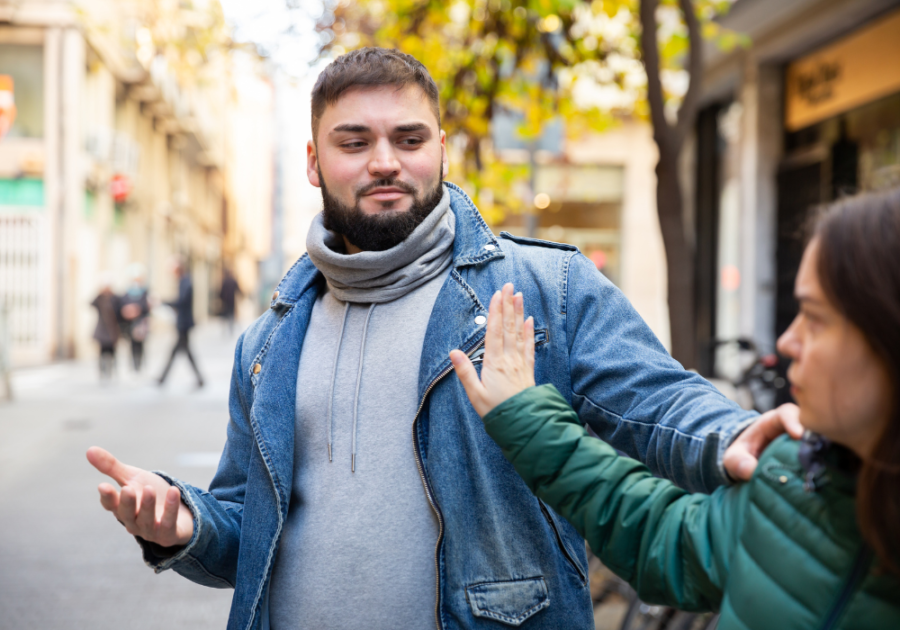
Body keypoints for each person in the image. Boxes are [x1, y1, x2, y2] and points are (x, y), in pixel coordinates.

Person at [86, 48, 797, 630]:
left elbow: (663, 405)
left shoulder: (546, 287)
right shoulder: (268, 339)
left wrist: (735, 437)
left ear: (442, 150)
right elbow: (245, 533)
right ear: (313, 162)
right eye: (354, 141)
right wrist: (179, 524)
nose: (385, 161)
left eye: (409, 138)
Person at [451, 189, 900, 629]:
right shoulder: (798, 475)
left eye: (815, 317)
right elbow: (666, 539)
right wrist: (529, 421)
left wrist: (723, 433)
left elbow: (657, 392)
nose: (787, 341)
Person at [157, 258, 204, 388]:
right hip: (183, 323)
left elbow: (181, 301)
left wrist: (164, 302)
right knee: (183, 351)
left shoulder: (185, 282)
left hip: (184, 323)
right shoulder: (183, 281)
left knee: (180, 351)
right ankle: (163, 378)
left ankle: (162, 378)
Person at [119, 263, 151, 372]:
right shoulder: (127, 293)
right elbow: (121, 304)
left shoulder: (145, 292)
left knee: (140, 344)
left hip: (141, 322)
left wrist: (137, 309)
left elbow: (147, 306)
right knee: (132, 344)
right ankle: (134, 364)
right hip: (129, 323)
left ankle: (139, 364)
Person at [90, 276, 120, 381]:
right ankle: (102, 370)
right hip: (102, 329)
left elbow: (120, 311)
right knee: (102, 351)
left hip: (113, 329)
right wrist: (99, 293)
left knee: (112, 351)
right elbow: (90, 303)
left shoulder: (116, 298)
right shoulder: (99, 298)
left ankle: (111, 370)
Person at [219, 267, 242, 335]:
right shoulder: (232, 281)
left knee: (227, 315)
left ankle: (228, 328)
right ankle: (230, 328)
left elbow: (221, 292)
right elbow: (238, 289)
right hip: (231, 301)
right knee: (230, 315)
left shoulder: (225, 281)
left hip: (226, 301)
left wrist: (221, 299)